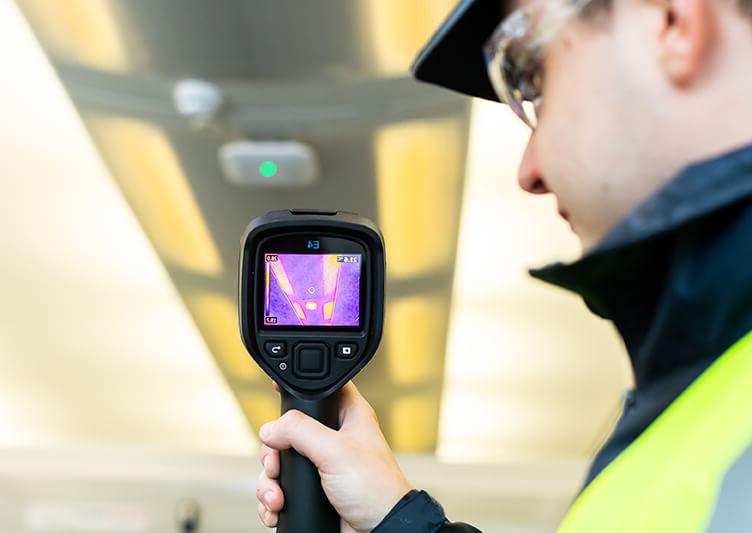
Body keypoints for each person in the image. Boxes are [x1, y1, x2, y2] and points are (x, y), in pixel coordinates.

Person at [254, 0, 752, 530]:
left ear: (672, 21)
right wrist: (395, 518)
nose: (528, 171)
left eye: (533, 85)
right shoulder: (694, 386)